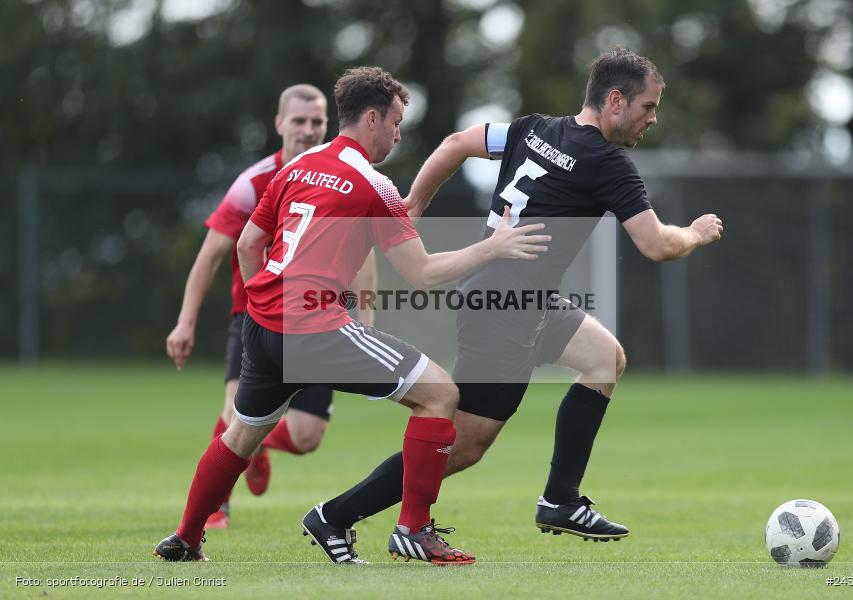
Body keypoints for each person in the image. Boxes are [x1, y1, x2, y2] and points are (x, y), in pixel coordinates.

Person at [312, 48, 724, 544]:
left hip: (520, 301)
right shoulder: (606, 162)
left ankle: (561, 500)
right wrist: (697, 233)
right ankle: (335, 515)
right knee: (462, 445)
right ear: (615, 100)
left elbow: (457, 142)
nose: (652, 119)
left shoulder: (534, 129)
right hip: (504, 312)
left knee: (603, 359)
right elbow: (657, 244)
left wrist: (412, 204)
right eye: (648, 107)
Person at [154, 66, 550, 564]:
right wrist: (494, 247)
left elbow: (250, 243)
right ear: (370, 117)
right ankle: (414, 529)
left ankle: (186, 538)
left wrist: (263, 305)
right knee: (441, 394)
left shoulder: (293, 169)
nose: (399, 134)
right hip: (313, 328)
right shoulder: (374, 184)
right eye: (396, 122)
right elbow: (424, 274)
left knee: (239, 434)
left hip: (262, 325)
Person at [165, 84, 372, 530]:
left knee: (306, 437)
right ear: (279, 124)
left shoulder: (345, 177)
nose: (308, 130)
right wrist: (185, 323)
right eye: (299, 121)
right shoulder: (254, 181)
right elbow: (212, 255)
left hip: (320, 319)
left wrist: (367, 318)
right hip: (255, 317)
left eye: (317, 121)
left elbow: (365, 249)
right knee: (233, 412)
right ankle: (213, 508)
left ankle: (256, 446)